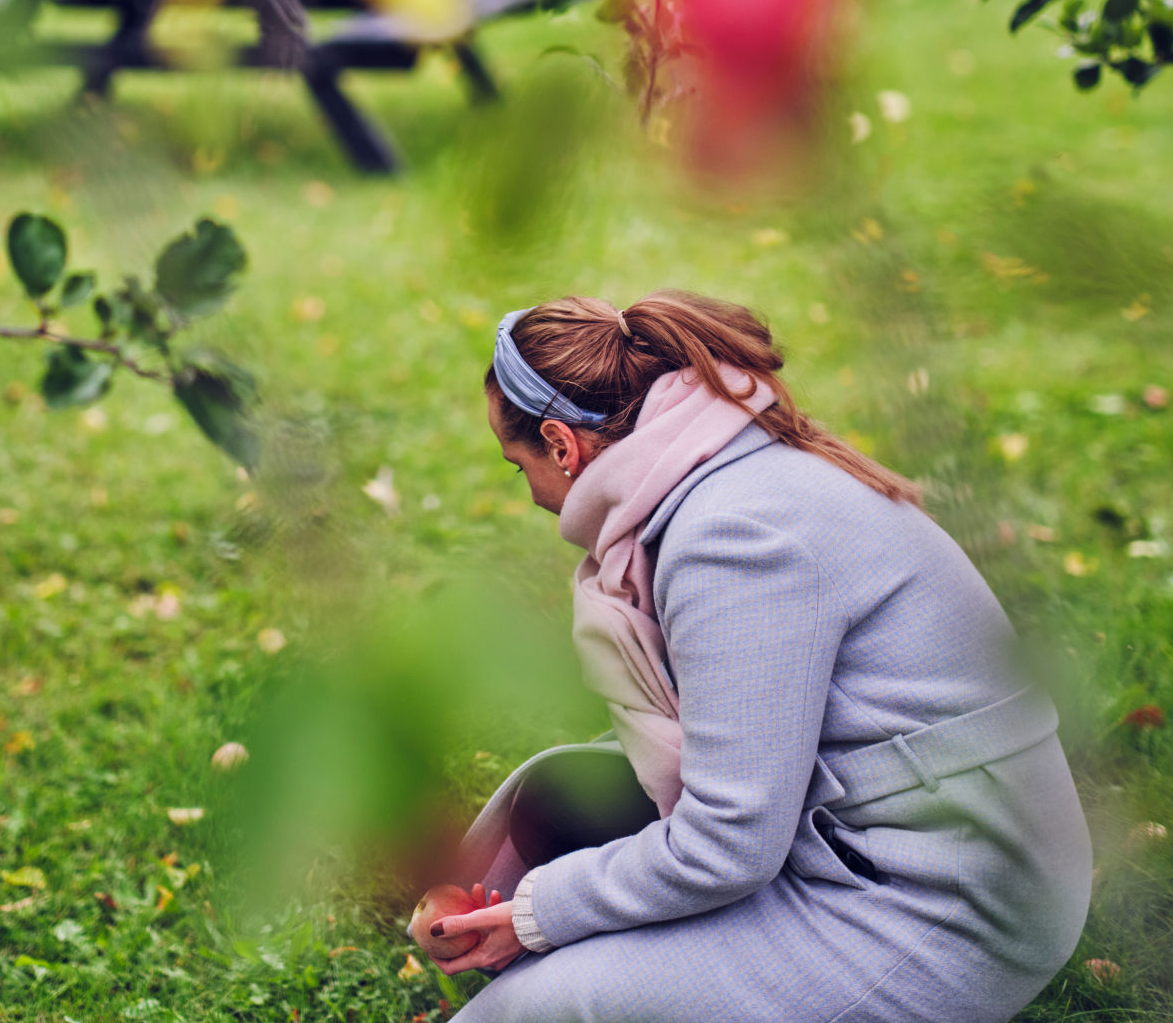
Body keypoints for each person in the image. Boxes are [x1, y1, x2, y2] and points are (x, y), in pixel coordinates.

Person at [424, 291, 1092, 1023]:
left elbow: (729, 845)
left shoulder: (734, 539)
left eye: (519, 469)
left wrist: (537, 914)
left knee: (525, 1015)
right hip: (874, 838)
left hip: (945, 908)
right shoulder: (728, 464)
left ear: (562, 444)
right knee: (560, 792)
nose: (530, 496)